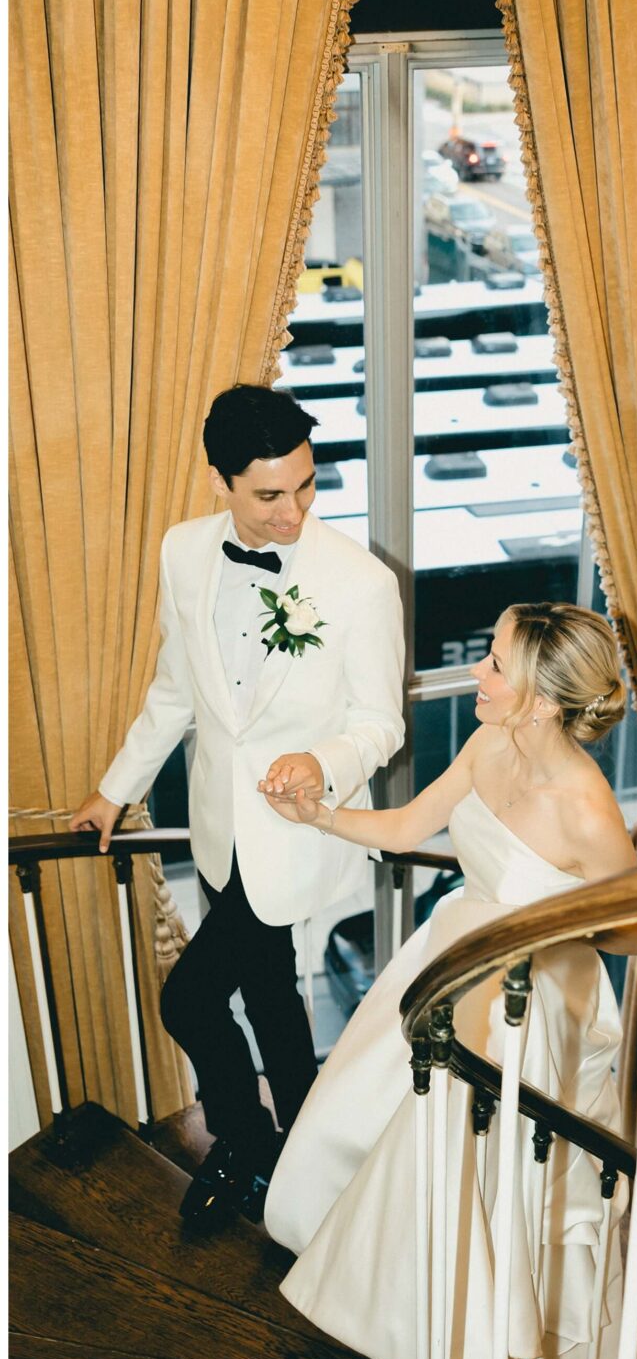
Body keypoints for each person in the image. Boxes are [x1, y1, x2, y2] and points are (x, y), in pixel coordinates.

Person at [260, 601, 637, 1359]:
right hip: (450, 953)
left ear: (541, 700)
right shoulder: (486, 742)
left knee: (455, 1139)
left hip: (526, 995)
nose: (477, 671)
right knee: (377, 1102)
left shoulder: (591, 811)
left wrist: (554, 930)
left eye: (496, 664)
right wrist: (317, 815)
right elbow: (406, 829)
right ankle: (371, 1273)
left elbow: (634, 934)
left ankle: (448, 1330)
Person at [70, 384, 405, 1224]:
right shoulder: (183, 552)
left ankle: (246, 1146)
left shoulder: (360, 584)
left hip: (293, 833)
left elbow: (380, 724)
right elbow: (175, 691)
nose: (293, 512)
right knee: (270, 997)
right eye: (267, 495)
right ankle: (305, 1153)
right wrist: (116, 790)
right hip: (223, 830)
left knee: (185, 1000)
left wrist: (320, 761)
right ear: (219, 479)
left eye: (306, 485)